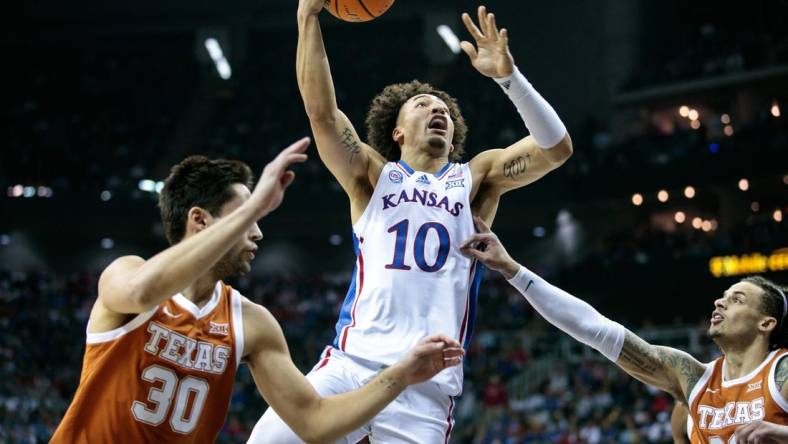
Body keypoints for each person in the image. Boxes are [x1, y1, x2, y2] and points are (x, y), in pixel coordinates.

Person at [250, 2, 573, 442]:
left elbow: (556, 150)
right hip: (353, 365)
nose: (436, 109)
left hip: (427, 385)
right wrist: (307, 18)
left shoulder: (475, 179)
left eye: (442, 107)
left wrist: (508, 78)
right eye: (423, 105)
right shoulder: (371, 175)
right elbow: (323, 116)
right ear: (397, 132)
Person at [50, 138, 463, 444]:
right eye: (248, 219)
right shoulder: (127, 273)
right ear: (200, 219)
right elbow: (142, 292)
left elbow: (314, 421)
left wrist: (402, 373)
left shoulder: (250, 321)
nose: (257, 231)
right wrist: (254, 204)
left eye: (257, 217)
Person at [460, 216, 788, 443]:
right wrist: (512, 270)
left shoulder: (781, 373)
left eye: (737, 299)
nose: (720, 302)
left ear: (766, 322)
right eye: (723, 296)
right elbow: (594, 328)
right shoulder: (691, 381)